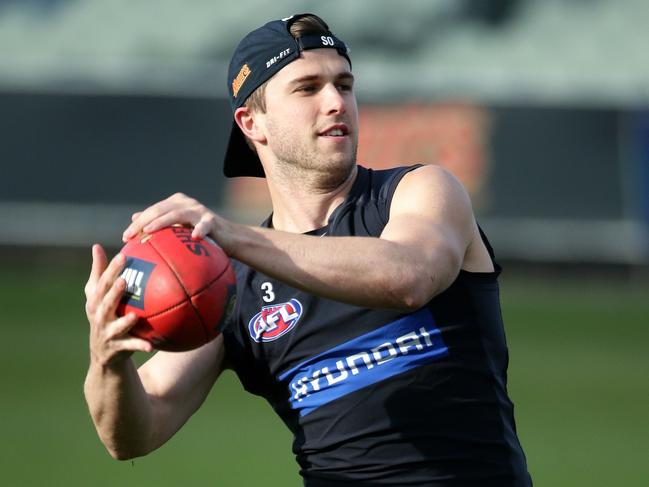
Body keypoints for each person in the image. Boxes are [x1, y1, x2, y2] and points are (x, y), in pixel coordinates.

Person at [84, 13, 532, 486]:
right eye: (307, 88)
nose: (336, 102)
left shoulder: (419, 192)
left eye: (344, 84)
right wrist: (108, 361)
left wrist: (233, 237)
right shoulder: (231, 282)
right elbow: (134, 434)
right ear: (251, 122)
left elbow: (409, 276)